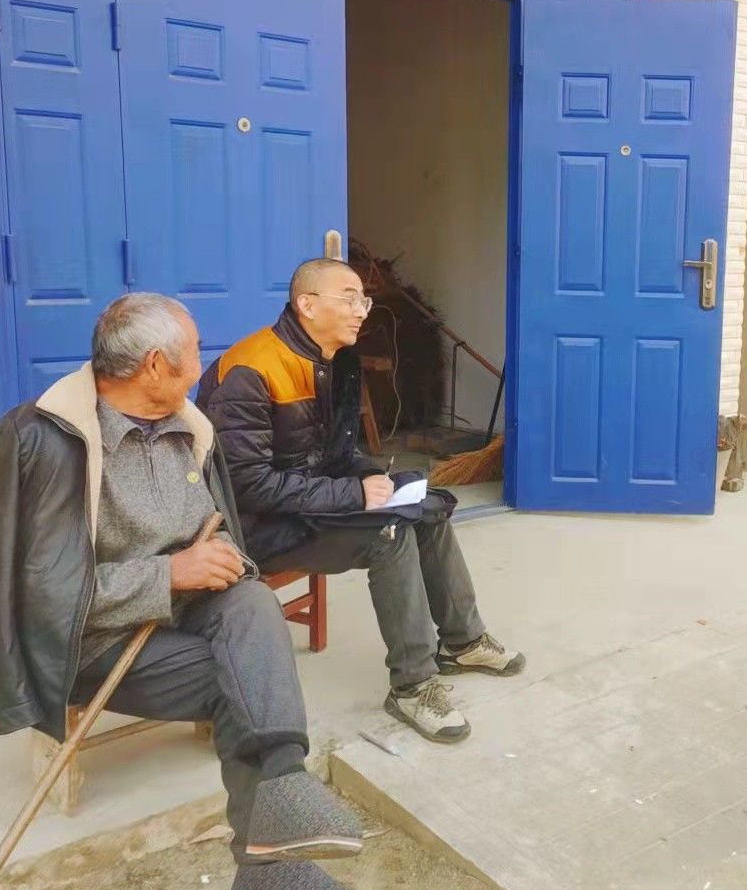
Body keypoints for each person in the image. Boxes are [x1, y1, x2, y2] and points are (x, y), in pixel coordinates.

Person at [0, 292, 368, 890]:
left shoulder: (189, 428)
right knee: (242, 680)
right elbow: (38, 597)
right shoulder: (42, 440)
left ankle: (280, 790)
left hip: (186, 618)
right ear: (154, 364)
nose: (203, 365)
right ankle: (266, 871)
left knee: (251, 606)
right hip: (94, 644)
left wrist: (220, 556)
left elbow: (217, 529)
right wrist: (167, 574)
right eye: (194, 353)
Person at [196, 258, 525, 745]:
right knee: (389, 534)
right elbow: (247, 485)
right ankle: (413, 686)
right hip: (255, 527)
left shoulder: (336, 362)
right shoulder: (252, 369)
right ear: (307, 305)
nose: (361, 311)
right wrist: (353, 494)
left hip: (308, 506)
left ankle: (462, 641)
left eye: (363, 300)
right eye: (348, 299)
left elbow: (336, 451)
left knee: (428, 509)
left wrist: (369, 474)